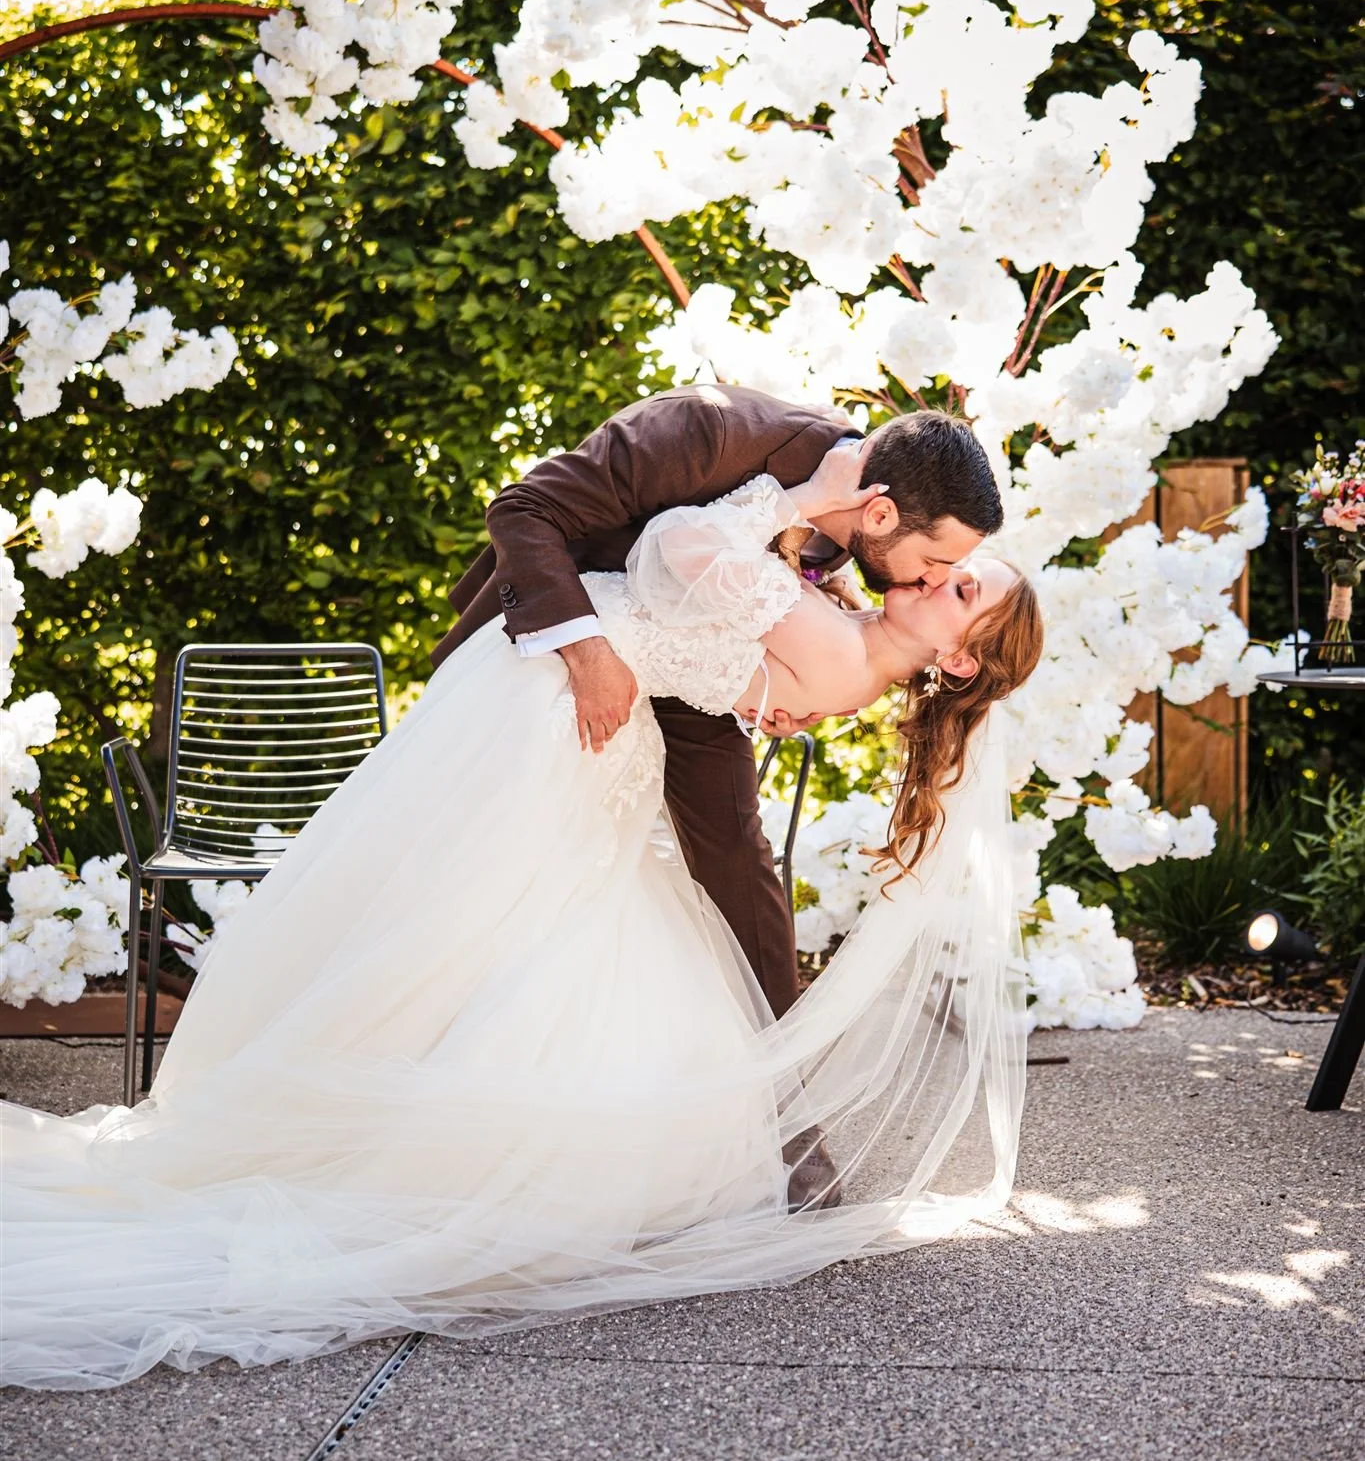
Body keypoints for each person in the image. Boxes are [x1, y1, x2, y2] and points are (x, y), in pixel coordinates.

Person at [0, 442, 1042, 1393]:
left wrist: (798, 500)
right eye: (947, 566)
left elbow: (677, 548)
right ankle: (421, 1136)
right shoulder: (850, 641)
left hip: (555, 712)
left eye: (960, 592)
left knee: (478, 932)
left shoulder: (838, 643)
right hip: (569, 705)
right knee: (497, 929)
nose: (930, 578)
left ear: (957, 661)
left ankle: (395, 1147)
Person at [436, 387, 1006, 1202]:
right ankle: (447, 1079)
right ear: (880, 514)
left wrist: (777, 671)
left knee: (738, 863)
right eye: (937, 561)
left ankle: (780, 1117)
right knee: (502, 869)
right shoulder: (709, 430)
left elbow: (789, 571)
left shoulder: (864, 527)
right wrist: (592, 655)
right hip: (568, 647)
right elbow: (523, 511)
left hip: (685, 668)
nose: (939, 576)